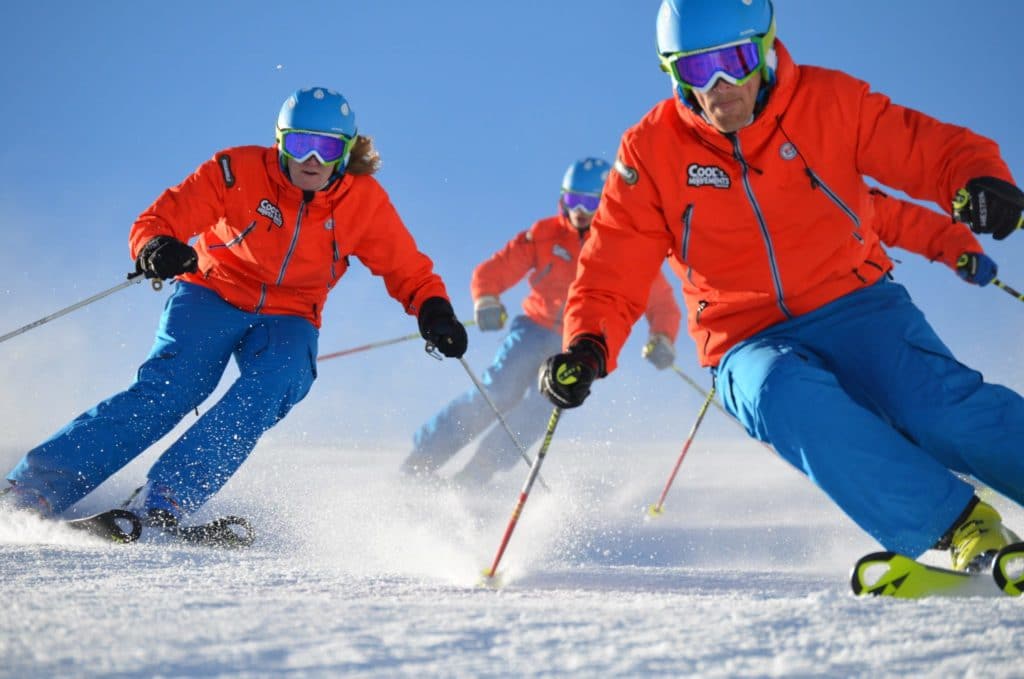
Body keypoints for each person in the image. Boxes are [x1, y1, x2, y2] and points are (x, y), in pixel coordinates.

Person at [539, 0, 1024, 573]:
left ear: (764, 50)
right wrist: (587, 344)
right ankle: (963, 527)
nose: (718, 88)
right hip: (743, 337)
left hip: (859, 305)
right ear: (674, 73)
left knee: (937, 409)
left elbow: (925, 148)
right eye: (697, 69)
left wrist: (977, 178)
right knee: (783, 396)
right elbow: (613, 264)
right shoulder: (650, 152)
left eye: (734, 61)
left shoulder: (828, 103)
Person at [2, 86, 468, 529]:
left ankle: (169, 498)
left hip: (291, 316)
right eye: (300, 144)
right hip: (213, 291)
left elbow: (408, 269)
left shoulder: (362, 202)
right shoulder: (238, 170)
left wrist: (434, 311)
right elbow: (160, 218)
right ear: (280, 141)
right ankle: (34, 490)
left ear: (345, 152)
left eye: (326, 149)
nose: (311, 160)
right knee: (173, 389)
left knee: (281, 379)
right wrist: (156, 246)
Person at [403, 158, 682, 485]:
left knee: (541, 407)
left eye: (590, 202)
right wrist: (487, 300)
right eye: (572, 199)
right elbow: (493, 271)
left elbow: (662, 303)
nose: (579, 210)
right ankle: (423, 458)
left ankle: (477, 472)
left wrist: (662, 338)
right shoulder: (546, 234)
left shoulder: (623, 248)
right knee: (499, 391)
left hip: (575, 345)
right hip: (533, 329)